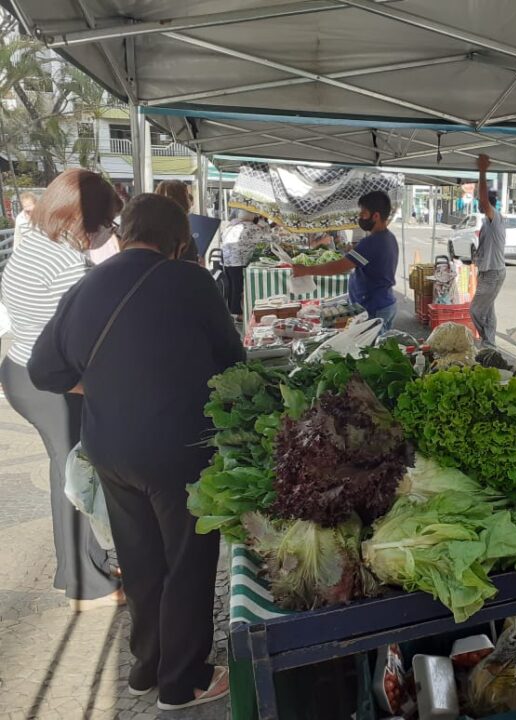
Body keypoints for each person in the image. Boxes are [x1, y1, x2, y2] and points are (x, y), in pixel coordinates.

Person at [28, 193, 244, 710]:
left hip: (110, 449)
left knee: (141, 561)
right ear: (179, 244)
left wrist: (103, 384)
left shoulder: (85, 286)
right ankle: (183, 682)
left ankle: (144, 670)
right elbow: (233, 361)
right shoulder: (192, 280)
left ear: (123, 236)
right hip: (177, 449)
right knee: (188, 562)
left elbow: (44, 371)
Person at [0, 168, 123, 609]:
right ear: (78, 220)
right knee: (72, 475)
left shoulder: (34, 237)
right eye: (105, 224)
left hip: (21, 368)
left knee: (72, 469)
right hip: (52, 384)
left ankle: (84, 564)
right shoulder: (67, 262)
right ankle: (82, 583)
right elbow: (83, 337)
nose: (106, 233)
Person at [291, 191, 398, 332]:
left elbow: (339, 267)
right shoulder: (389, 238)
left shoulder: (372, 242)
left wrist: (306, 270)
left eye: (363, 213)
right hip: (384, 303)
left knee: (369, 350)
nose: (360, 217)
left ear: (376, 216)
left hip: (374, 307)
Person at [470, 154, 507, 349]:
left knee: (476, 310)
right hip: (487, 272)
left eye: (481, 201)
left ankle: (488, 344)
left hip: (493, 273)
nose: (479, 203)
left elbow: (483, 201)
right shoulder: (487, 222)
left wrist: (482, 171)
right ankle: (490, 346)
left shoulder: (495, 218)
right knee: (488, 311)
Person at [220, 209, 271, 315]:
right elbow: (268, 240)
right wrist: (265, 226)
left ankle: (231, 312)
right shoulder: (252, 228)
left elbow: (222, 237)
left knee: (231, 286)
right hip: (239, 260)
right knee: (238, 288)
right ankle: (237, 314)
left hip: (227, 259)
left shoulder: (231, 225)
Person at [155, 180, 201, 263]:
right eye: (187, 195)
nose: (190, 199)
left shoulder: (152, 231)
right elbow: (189, 270)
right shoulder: (183, 237)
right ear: (183, 199)